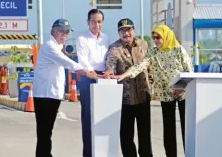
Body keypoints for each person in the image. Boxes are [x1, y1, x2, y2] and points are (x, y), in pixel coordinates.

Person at [114, 25, 193, 157]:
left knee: (186, 129)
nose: (156, 40)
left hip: (182, 93)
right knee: (169, 130)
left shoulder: (179, 50)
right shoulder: (154, 52)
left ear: (166, 36)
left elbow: (189, 71)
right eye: (154, 38)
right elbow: (141, 65)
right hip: (165, 95)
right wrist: (125, 75)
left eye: (158, 37)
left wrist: (182, 88)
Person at [33, 19, 89, 157]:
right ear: (53, 31)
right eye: (61, 31)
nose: (64, 35)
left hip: (52, 95)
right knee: (45, 132)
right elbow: (67, 62)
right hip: (45, 95)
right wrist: (86, 71)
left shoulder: (57, 46)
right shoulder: (50, 47)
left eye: (67, 32)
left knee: (46, 132)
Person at [104, 19, 153, 157]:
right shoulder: (114, 48)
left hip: (143, 96)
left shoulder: (143, 44)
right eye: (122, 30)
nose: (126, 33)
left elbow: (150, 66)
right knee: (126, 136)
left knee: (145, 135)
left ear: (134, 30)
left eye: (129, 29)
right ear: (118, 33)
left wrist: (151, 82)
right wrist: (109, 72)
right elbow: (110, 65)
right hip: (125, 99)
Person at [76, 9, 110, 157]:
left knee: (104, 118)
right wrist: (94, 75)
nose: (97, 25)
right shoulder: (82, 39)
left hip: (104, 78)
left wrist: (108, 72)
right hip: (88, 78)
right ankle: (88, 153)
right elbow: (83, 60)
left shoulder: (106, 38)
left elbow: (109, 58)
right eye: (93, 21)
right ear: (88, 22)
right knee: (89, 119)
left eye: (99, 21)